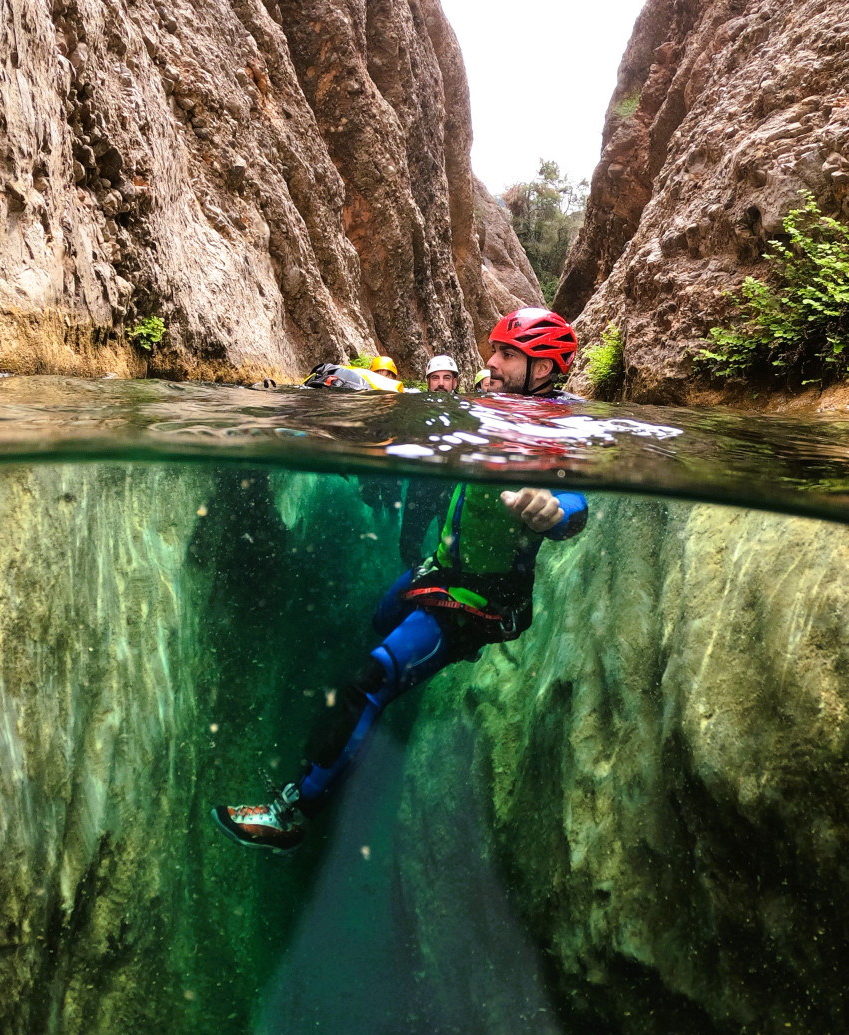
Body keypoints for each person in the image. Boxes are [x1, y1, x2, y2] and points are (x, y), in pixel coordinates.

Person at [212, 308, 585, 851]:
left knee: (370, 680)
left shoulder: (560, 426)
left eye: (507, 354)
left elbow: (578, 501)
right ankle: (360, 720)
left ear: (546, 366)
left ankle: (293, 812)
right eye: (494, 350)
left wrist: (556, 509)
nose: (491, 361)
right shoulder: (489, 405)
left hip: (477, 603)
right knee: (380, 617)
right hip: (440, 572)